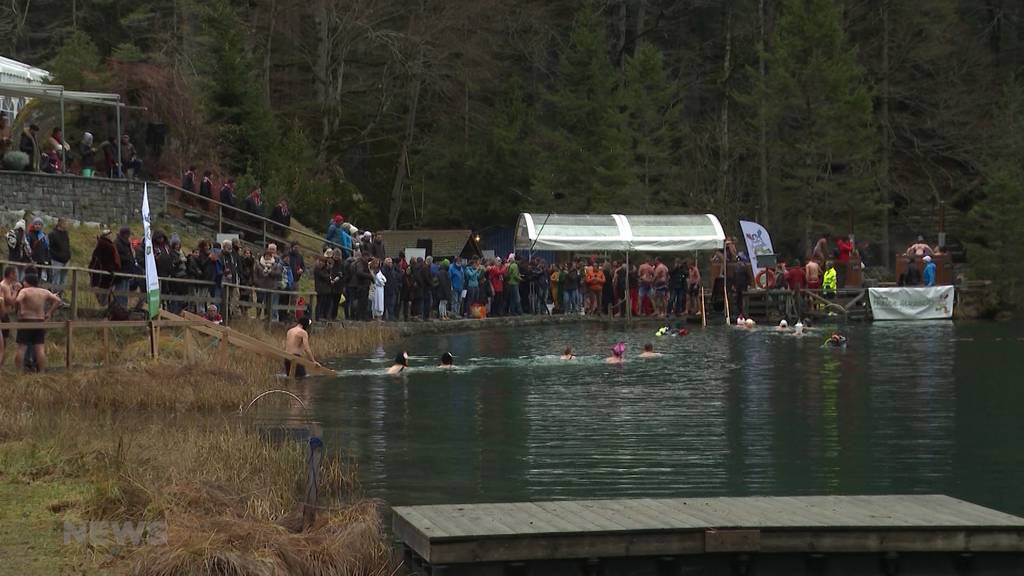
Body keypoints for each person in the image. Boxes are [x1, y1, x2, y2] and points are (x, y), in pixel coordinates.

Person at [14, 272, 63, 372]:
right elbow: (58, 300)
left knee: (21, 347)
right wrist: (49, 313)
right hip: (40, 321)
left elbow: (18, 300)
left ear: (27, 282)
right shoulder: (44, 292)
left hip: (26, 320)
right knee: (40, 348)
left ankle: (18, 372)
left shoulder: (25, 291)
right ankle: (41, 371)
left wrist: (19, 310)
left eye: (24, 281)